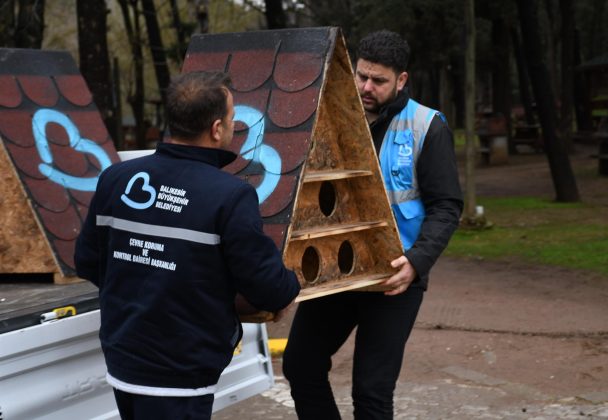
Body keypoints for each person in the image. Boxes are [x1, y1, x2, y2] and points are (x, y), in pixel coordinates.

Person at [74, 71, 300, 419]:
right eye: (231, 119)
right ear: (215, 129)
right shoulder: (230, 195)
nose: (232, 126)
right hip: (182, 372)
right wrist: (292, 283)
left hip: (124, 361)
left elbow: (88, 262)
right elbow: (267, 286)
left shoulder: (115, 178)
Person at [282, 30, 463, 419]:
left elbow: (447, 206)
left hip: (394, 278)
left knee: (372, 392)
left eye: (378, 80)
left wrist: (417, 262)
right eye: (361, 76)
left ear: (401, 79)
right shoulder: (327, 117)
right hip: (335, 271)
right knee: (299, 365)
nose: (366, 87)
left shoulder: (426, 126)